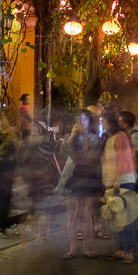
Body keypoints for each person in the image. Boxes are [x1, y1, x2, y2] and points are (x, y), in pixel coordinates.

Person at [61, 109, 102, 259]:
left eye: (84, 119)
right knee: (72, 214)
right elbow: (66, 152)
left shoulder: (94, 138)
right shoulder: (73, 137)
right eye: (79, 119)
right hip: (76, 174)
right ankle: (72, 249)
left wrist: (84, 135)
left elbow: (92, 156)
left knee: (86, 214)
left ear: (89, 122)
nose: (81, 123)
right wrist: (73, 136)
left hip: (89, 175)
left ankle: (87, 248)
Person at [101, 111, 138, 263]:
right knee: (117, 217)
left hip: (123, 181)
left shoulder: (120, 136)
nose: (101, 124)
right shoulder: (108, 138)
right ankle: (122, 249)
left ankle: (130, 251)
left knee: (126, 217)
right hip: (112, 182)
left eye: (103, 121)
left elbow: (123, 159)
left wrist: (117, 180)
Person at [118, 110, 138, 243]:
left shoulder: (135, 135)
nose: (118, 123)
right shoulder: (127, 134)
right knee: (133, 200)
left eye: (120, 121)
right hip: (131, 172)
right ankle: (136, 230)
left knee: (137, 202)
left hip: (135, 173)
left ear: (125, 123)